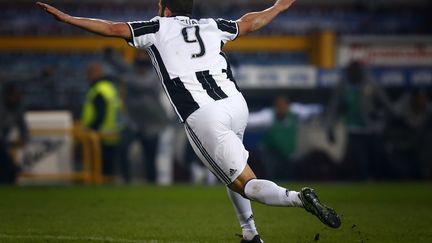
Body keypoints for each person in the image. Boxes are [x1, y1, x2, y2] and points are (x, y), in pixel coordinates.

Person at [37, 1, 341, 242]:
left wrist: (68, 19)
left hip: (204, 114)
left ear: (165, 9)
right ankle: (250, 234)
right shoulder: (211, 26)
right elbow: (249, 22)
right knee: (229, 172)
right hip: (236, 104)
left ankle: (299, 199)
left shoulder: (157, 27)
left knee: (244, 183)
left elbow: (112, 28)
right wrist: (277, 7)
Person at [81, 62, 123, 178]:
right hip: (112, 133)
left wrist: (91, 129)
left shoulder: (98, 90)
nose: (87, 77)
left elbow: (100, 114)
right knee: (108, 168)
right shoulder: (109, 87)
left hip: (100, 134)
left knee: (101, 169)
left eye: (89, 73)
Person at [0, 83, 28, 184]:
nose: (16, 97)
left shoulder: (18, 107)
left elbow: (22, 125)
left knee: (5, 162)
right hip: (2, 139)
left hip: (3, 138)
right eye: (14, 95)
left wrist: (24, 138)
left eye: (18, 95)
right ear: (7, 94)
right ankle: (12, 170)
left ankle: (9, 177)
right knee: (6, 161)